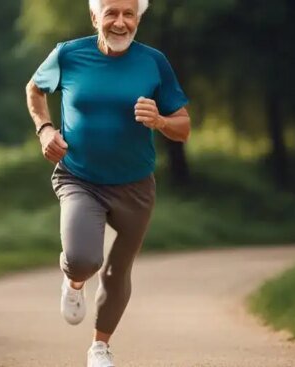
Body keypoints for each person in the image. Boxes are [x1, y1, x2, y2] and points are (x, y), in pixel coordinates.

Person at [25, 0, 191, 365]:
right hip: (80, 176)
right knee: (84, 259)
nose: (120, 22)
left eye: (128, 14)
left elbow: (184, 127)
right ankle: (74, 279)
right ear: (94, 17)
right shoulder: (68, 55)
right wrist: (45, 129)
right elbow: (35, 90)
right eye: (111, 13)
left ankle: (99, 347)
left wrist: (160, 121)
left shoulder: (154, 62)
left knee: (118, 271)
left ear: (138, 19)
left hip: (135, 185)